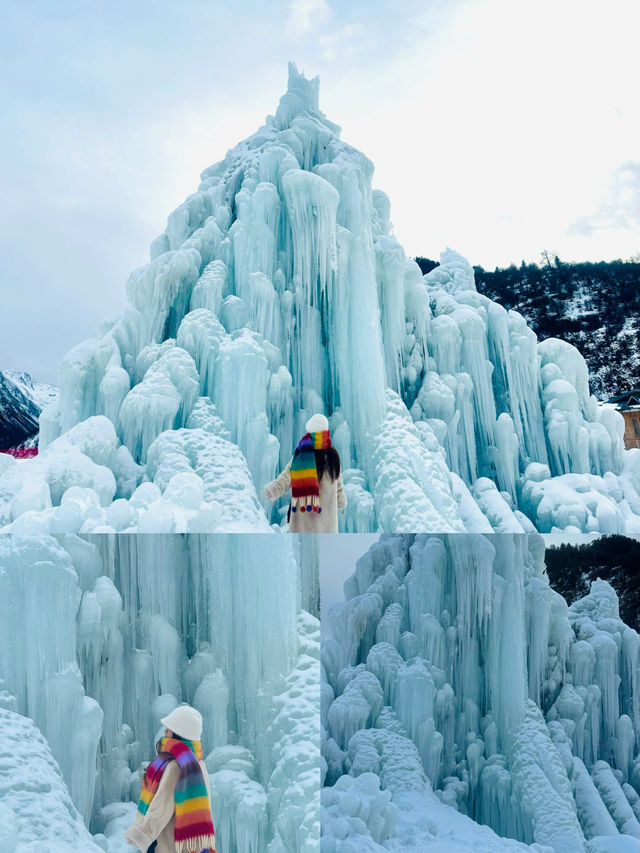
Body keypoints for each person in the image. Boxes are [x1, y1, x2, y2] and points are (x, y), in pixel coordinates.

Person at [125, 705, 216, 853]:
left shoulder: (176, 767)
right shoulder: (199, 765)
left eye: (170, 728)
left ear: (180, 733)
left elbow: (161, 808)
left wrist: (142, 834)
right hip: (191, 848)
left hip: (169, 846)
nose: (165, 732)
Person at [263, 413, 346, 533]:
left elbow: (286, 478)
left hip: (303, 523)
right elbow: (338, 485)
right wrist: (341, 502)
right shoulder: (333, 458)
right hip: (327, 525)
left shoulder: (301, 456)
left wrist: (274, 489)